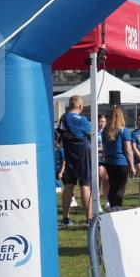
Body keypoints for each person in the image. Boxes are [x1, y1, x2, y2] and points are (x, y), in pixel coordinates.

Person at [57, 96, 93, 226]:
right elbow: (90, 134)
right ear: (80, 106)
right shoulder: (82, 119)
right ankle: (89, 219)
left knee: (69, 185)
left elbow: (60, 133)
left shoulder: (64, 117)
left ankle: (65, 218)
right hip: (82, 153)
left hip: (69, 153)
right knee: (85, 184)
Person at [102, 106, 134, 212]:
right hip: (121, 162)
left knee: (112, 185)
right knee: (120, 187)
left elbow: (104, 149)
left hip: (109, 163)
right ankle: (118, 207)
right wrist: (132, 166)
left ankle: (112, 207)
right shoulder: (124, 131)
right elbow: (128, 150)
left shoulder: (104, 131)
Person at [97, 114, 110, 208]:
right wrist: (101, 149)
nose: (102, 124)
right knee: (100, 177)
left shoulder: (107, 132)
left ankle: (107, 201)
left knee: (106, 179)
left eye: (104, 122)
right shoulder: (94, 132)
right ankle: (96, 203)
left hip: (107, 159)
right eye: (100, 121)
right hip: (97, 158)